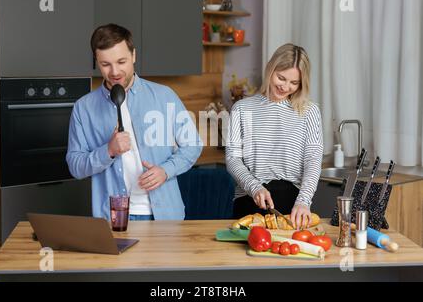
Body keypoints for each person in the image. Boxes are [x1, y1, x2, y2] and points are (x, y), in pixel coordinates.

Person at [66, 24, 202, 221]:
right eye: (105, 64)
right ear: (96, 61)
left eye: (122, 61)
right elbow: (76, 166)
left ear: (134, 55)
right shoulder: (83, 108)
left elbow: (193, 145)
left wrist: (166, 170)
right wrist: (108, 151)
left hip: (165, 216)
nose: (114, 71)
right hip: (113, 219)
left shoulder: (165, 96)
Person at [226, 43, 323, 229]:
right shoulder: (242, 108)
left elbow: (313, 159)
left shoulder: (310, 111)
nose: (286, 87)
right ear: (270, 68)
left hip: (294, 205)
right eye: (281, 78)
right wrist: (254, 187)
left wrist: (304, 201)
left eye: (294, 83)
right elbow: (233, 159)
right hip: (250, 200)